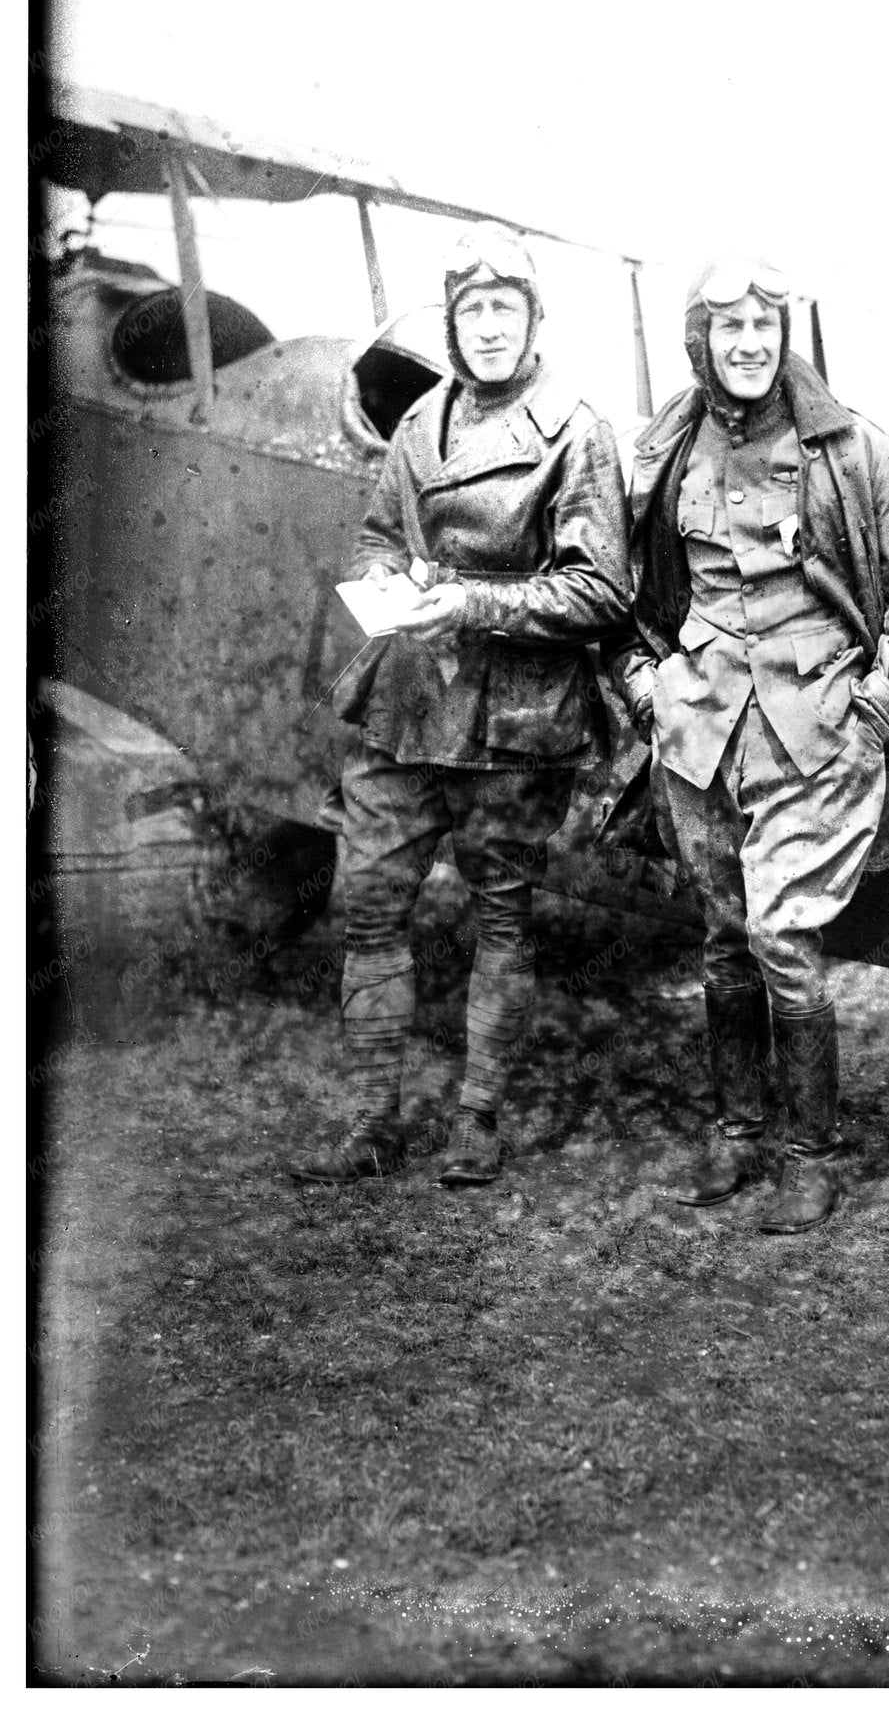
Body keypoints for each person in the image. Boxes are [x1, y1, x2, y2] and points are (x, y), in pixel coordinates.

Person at [607, 254, 889, 1233]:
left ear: (786, 335)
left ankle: (810, 1152)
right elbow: (628, 582)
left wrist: (881, 707)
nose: (750, 344)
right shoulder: (668, 446)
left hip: (813, 731)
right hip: (700, 728)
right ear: (702, 343)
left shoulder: (856, 450)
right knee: (724, 939)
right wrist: (646, 683)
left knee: (782, 939)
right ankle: (735, 1135)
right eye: (730, 329)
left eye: (765, 324)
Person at [291, 226, 629, 1187]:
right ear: (452, 323)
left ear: (533, 323)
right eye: (471, 311)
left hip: (516, 719)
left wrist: (474, 601)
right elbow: (375, 535)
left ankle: (476, 1119)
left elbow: (601, 592)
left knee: (502, 921)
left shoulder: (577, 431)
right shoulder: (421, 424)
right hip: (408, 704)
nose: (487, 329)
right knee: (367, 908)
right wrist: (391, 583)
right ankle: (369, 1119)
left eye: (505, 311)